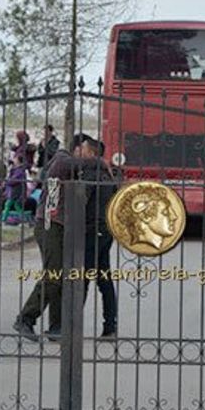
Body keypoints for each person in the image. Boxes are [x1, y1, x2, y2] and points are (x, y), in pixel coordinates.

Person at [13, 134, 90, 341]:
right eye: (85, 149)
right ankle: (25, 318)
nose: (87, 154)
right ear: (76, 148)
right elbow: (70, 165)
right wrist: (98, 161)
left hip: (61, 225)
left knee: (61, 277)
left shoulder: (70, 165)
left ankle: (57, 327)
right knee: (53, 274)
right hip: (49, 225)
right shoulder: (61, 159)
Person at [80, 137, 118, 338]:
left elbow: (81, 202)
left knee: (82, 279)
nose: (80, 153)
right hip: (105, 230)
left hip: (92, 231)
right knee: (104, 279)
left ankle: (72, 324)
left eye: (83, 150)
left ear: (91, 153)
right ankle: (110, 325)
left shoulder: (90, 174)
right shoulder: (107, 174)